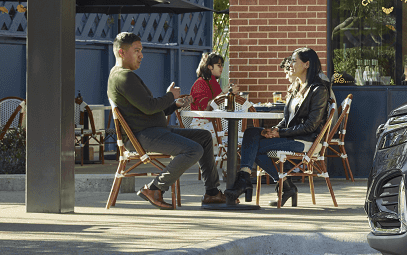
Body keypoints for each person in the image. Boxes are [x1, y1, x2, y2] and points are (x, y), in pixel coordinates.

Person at [107, 32, 249, 210]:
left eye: (141, 50)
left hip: (154, 130)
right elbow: (150, 107)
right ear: (121, 52)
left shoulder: (123, 76)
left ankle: (212, 193)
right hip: (142, 136)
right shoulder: (123, 77)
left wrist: (175, 104)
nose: (141, 55)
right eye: (136, 51)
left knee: (203, 137)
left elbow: (148, 109)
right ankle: (155, 188)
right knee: (193, 149)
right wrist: (170, 96)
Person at [225, 47, 333, 207]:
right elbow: (287, 119)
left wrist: (279, 133)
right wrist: (273, 130)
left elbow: (310, 126)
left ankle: (255, 183)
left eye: (294, 61)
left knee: (253, 148)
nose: (290, 64)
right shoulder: (296, 88)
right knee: (251, 133)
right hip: (291, 135)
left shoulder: (319, 90)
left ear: (307, 64)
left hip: (306, 141)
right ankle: (252, 180)